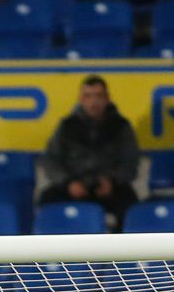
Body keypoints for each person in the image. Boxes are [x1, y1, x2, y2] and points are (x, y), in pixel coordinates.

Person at [37, 76, 140, 223]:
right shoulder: (67, 126)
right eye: (88, 96)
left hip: (111, 188)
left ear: (107, 98)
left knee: (129, 204)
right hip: (74, 186)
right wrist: (68, 183)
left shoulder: (121, 126)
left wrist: (112, 181)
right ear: (81, 99)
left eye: (98, 96)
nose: (93, 102)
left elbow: (130, 161)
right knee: (46, 200)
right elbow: (51, 160)